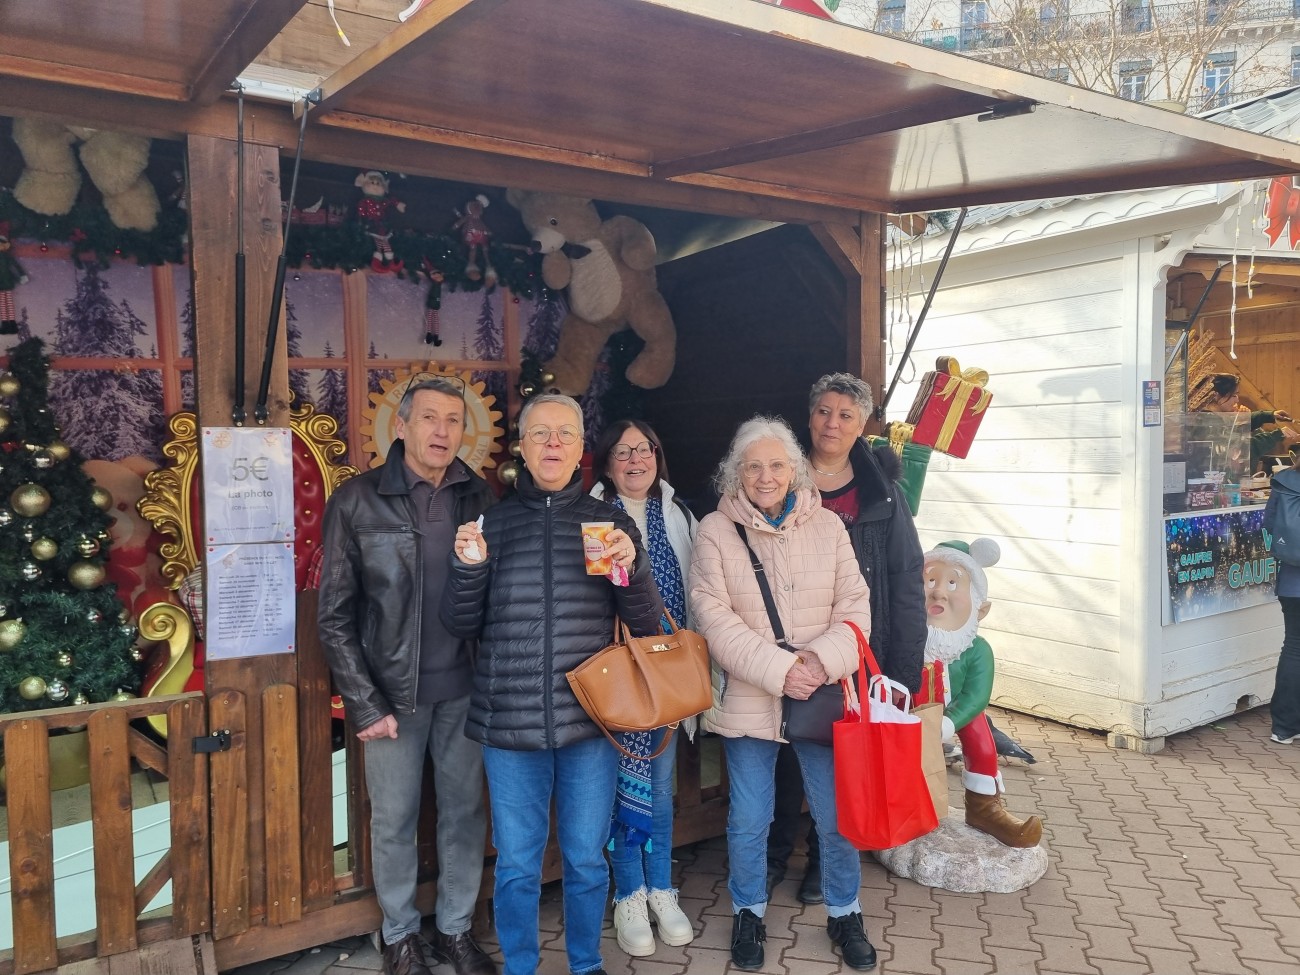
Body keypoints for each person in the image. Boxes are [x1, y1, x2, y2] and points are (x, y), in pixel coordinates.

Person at [440, 394, 665, 975]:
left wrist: (631, 567)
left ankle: (585, 964)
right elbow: (461, 624)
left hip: (589, 722)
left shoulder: (606, 522)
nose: (553, 445)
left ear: (580, 448)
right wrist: (467, 570)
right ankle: (520, 966)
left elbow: (644, 623)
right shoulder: (493, 521)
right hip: (508, 725)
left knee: (587, 861)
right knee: (516, 865)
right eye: (540, 434)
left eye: (564, 434)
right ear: (521, 445)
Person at [317, 378, 498, 975]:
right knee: (393, 819)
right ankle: (398, 936)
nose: (442, 431)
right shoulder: (357, 500)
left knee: (464, 812)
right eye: (429, 418)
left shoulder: (481, 498)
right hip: (393, 695)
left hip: (465, 691)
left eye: (453, 419)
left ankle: (453, 930)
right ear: (401, 426)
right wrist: (364, 703)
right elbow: (335, 615)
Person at [690, 415, 877, 971]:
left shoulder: (829, 527)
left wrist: (818, 664)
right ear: (737, 473)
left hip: (819, 695)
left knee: (836, 814)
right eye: (753, 466)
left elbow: (856, 608)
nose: (766, 476)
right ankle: (749, 911)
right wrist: (780, 669)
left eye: (776, 465)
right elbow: (712, 616)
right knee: (750, 816)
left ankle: (845, 913)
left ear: (794, 470)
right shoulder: (715, 531)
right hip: (751, 697)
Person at [767, 372, 927, 905]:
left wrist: (903, 666)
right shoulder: (781, 477)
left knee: (843, 757)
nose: (832, 423)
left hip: (856, 647)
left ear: (862, 426)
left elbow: (906, 577)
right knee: (784, 751)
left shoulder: (881, 493)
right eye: (824, 411)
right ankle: (773, 851)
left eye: (846, 416)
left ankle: (824, 857)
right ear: (809, 416)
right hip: (788, 645)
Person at [589, 419, 698, 957]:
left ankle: (661, 887)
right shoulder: (591, 515)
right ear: (606, 462)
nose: (635, 459)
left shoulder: (677, 513)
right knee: (618, 790)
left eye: (644, 449)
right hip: (618, 676)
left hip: (669, 675)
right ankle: (627, 893)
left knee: (659, 787)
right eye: (622, 451)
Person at [917, 538, 1043, 847]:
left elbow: (976, 697)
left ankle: (985, 807)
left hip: (955, 713)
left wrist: (949, 722)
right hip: (910, 712)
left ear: (980, 609)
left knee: (981, 736)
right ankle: (904, 807)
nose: (938, 591)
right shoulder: (905, 641)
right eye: (930, 580)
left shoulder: (977, 651)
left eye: (951, 583)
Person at [1264, 449, 1300, 745]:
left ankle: (1284, 728)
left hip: (1292, 582)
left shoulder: (1283, 482)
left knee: (1294, 649)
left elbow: (1269, 526)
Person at [1203, 374, 1298, 472]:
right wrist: (1276, 435)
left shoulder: (1218, 417)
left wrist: (1270, 415)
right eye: (1234, 395)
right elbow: (1244, 449)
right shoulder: (1208, 422)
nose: (1237, 400)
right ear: (1216, 395)